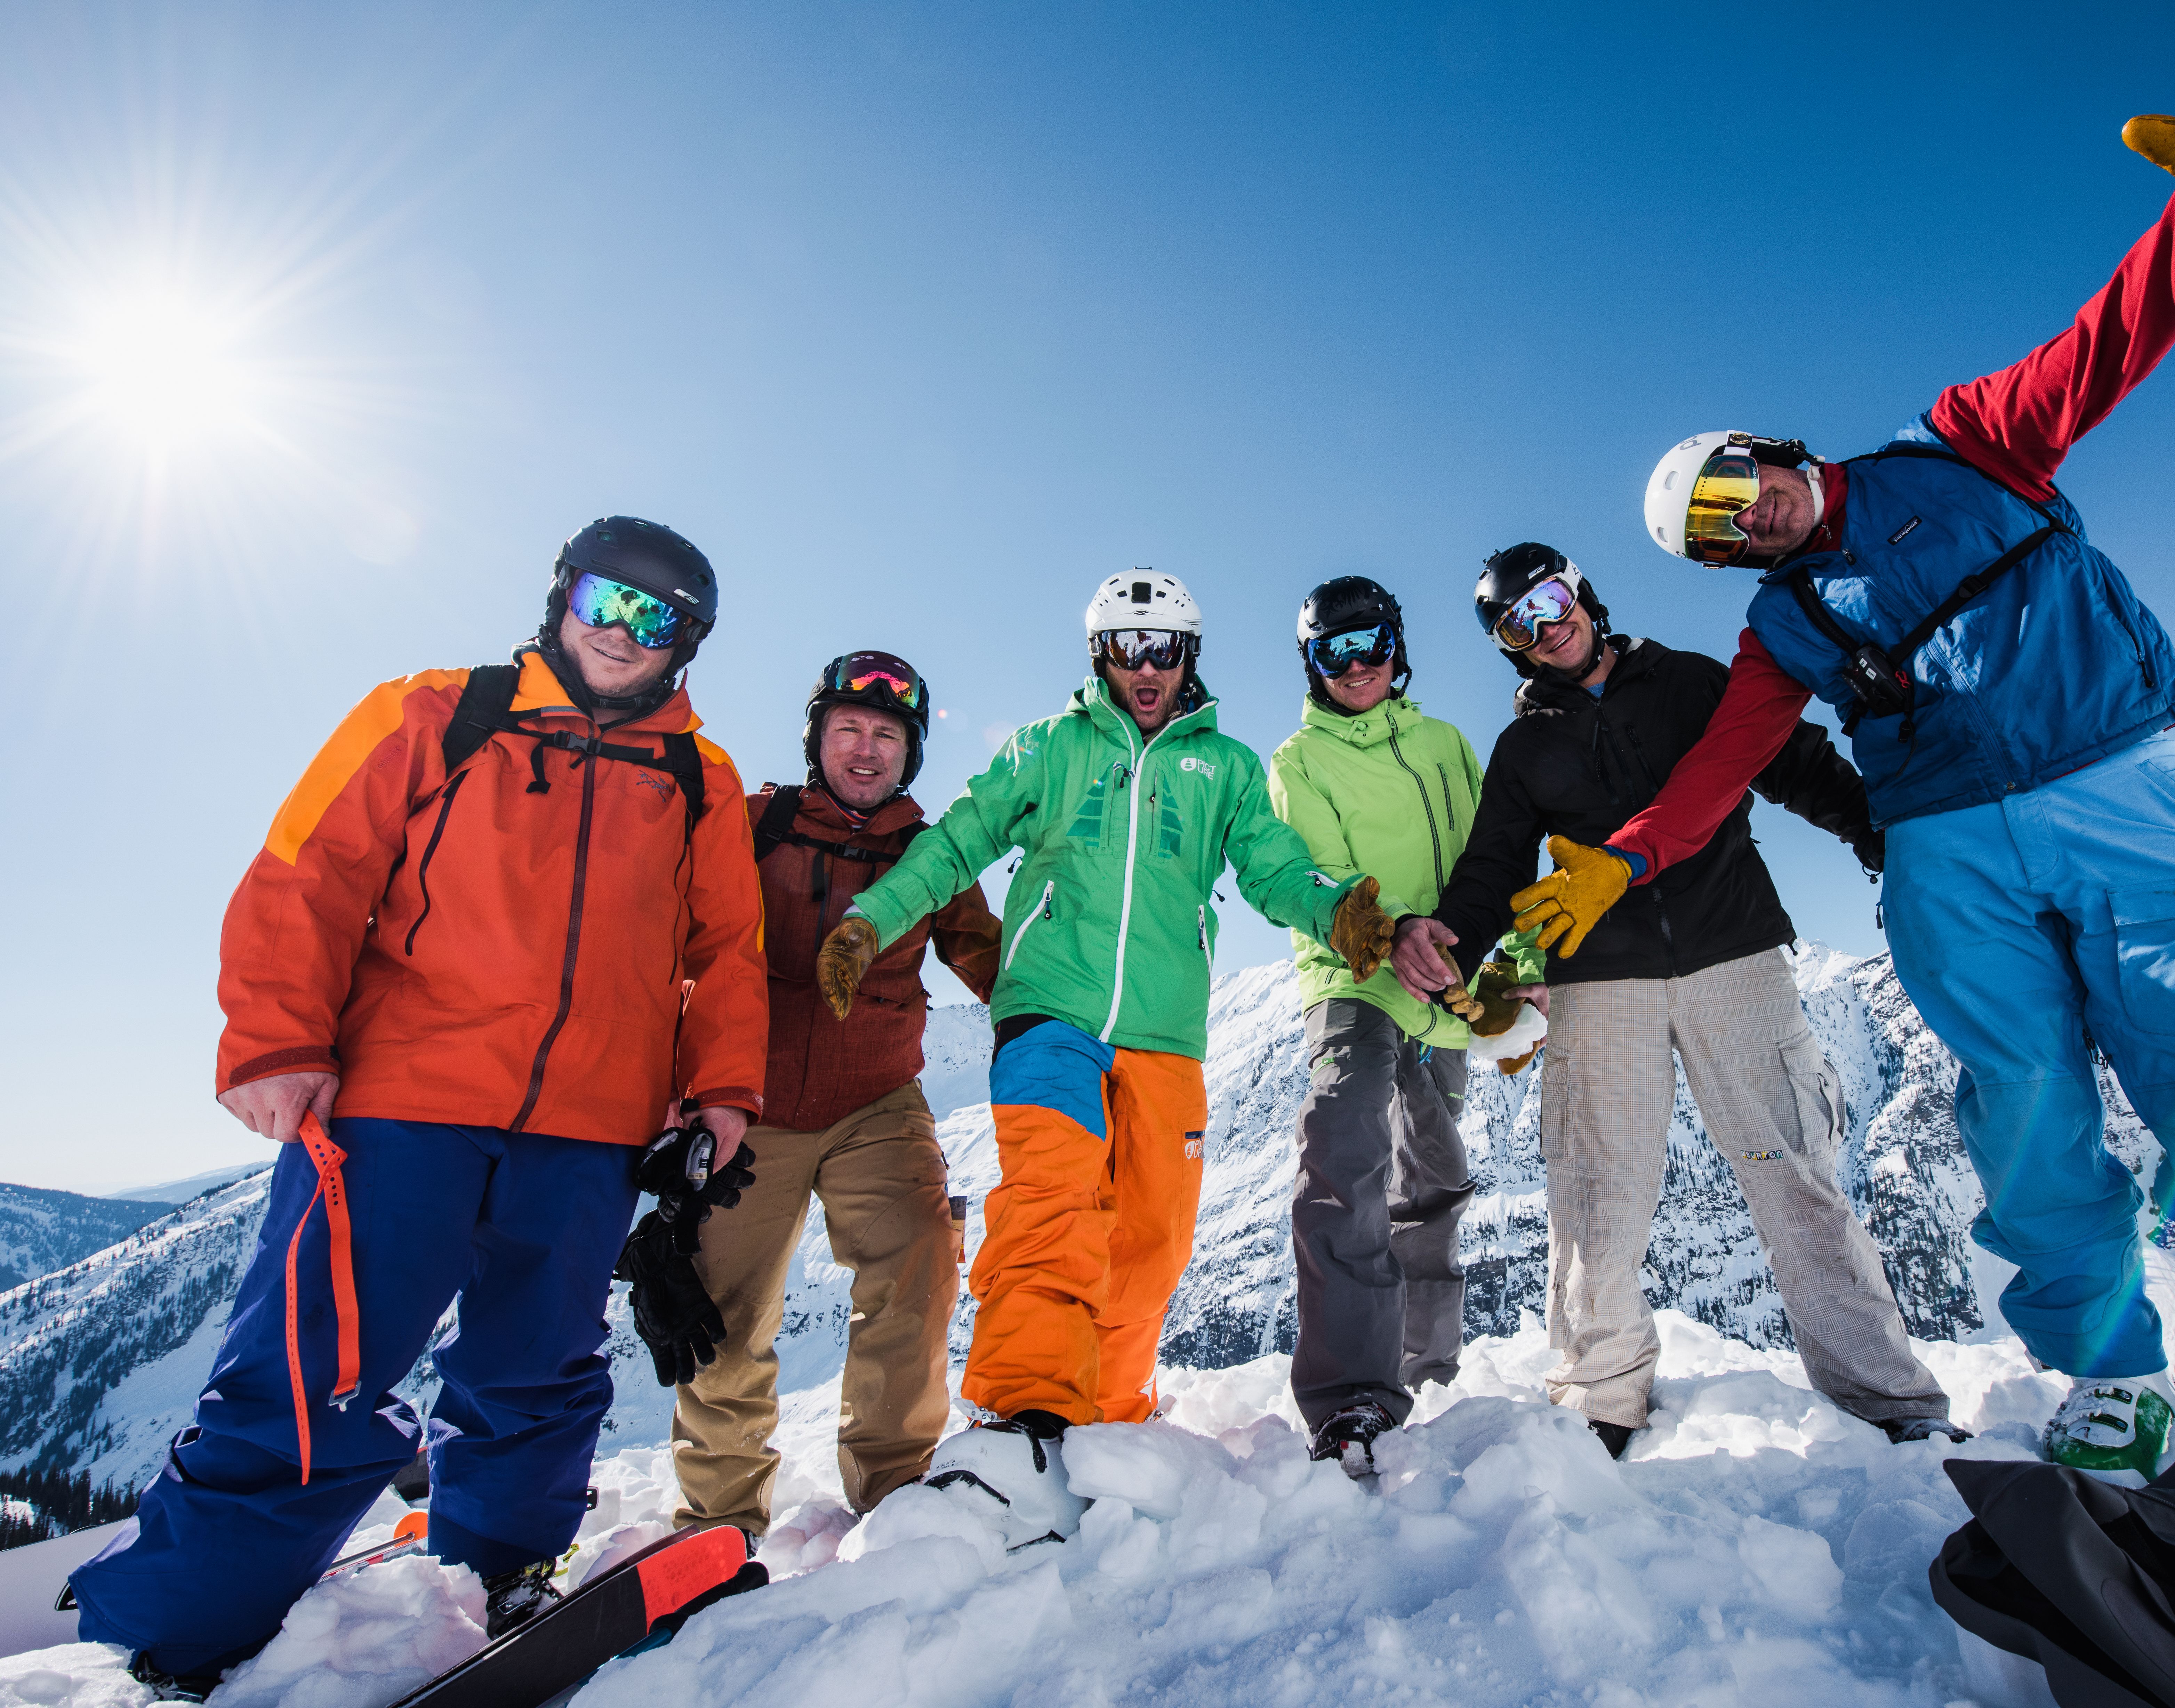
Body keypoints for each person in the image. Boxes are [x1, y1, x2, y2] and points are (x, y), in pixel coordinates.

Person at [1574, 11, 2175, 1548]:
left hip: (2114, 798)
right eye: (1722, 533)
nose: (1756, 521)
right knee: (2024, 1117)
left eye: (1743, 487)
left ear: (1771, 445)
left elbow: (2116, 333)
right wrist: (1626, 859)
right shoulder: (1781, 624)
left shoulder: (1968, 448)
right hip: (1943, 858)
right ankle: (2106, 1380)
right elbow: (1719, 768)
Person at [75, 518, 770, 1694]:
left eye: (658, 617)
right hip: (404, 1105)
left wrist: (720, 1095)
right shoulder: (436, 712)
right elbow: (311, 868)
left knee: (542, 1368)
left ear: (687, 644)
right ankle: (185, 1629)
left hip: (592, 1128)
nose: (622, 630)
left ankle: (499, 1570)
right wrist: (274, 1037)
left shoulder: (698, 779)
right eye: (608, 598)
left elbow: (728, 953)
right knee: (315, 1367)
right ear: (563, 595)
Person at [808, 570, 1399, 1547]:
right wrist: (872, 921)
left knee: (1153, 1237)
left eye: (1165, 648)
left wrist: (1334, 908)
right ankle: (1025, 1421)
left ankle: (1107, 1414)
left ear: (1189, 655)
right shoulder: (1050, 748)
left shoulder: (1230, 769)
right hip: (1050, 1016)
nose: (1147, 668)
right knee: (1054, 1198)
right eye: (1128, 648)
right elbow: (958, 840)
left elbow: (1272, 866)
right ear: (1100, 655)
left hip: (1166, 1034)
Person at [1390, 547, 1955, 1459]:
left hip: (1734, 955)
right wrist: (1451, 934)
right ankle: (1600, 1402)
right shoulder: (1525, 746)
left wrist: (1878, 835)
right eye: (1515, 627)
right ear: (1510, 649)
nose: (1543, 628)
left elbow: (1794, 762)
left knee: (1796, 1175)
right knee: (1596, 1191)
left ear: (1578, 591)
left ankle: (1889, 1399)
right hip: (1600, 977)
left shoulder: (1688, 684)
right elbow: (1493, 869)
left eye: (1546, 603)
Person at [668, 652, 1002, 1537]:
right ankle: (718, 1519)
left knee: (919, 1261)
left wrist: (1062, 1027)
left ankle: (894, 1485)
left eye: (887, 735)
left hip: (878, 1096)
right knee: (725, 1307)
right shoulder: (754, 825)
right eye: (849, 729)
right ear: (817, 738)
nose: (866, 749)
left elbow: (989, 959)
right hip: (750, 1099)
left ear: (909, 753)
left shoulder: (931, 855)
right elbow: (673, 936)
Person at [1266, 576, 1539, 1472]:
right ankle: (1351, 1396)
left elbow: (1495, 854)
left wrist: (1517, 965)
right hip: (1357, 978)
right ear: (1311, 664)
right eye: (1334, 651)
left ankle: (1429, 1374)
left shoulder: (1444, 743)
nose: (1358, 665)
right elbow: (1320, 873)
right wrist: (1392, 939)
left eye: (1371, 643)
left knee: (1434, 1175)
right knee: (1345, 1147)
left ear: (1398, 645)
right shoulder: (1299, 762)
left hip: (1451, 986)